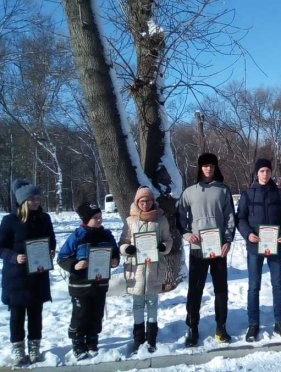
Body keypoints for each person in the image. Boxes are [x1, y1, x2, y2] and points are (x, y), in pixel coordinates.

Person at [178, 153, 235, 347]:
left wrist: (228, 240)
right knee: (195, 289)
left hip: (218, 248)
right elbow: (180, 216)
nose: (208, 168)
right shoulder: (189, 192)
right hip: (197, 248)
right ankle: (192, 327)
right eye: (205, 165)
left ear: (215, 167)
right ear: (200, 168)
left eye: (211, 165)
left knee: (221, 289)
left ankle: (221, 327)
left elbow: (230, 217)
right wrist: (187, 234)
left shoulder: (223, 190)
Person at [237, 158, 281, 342]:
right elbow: (240, 218)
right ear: (257, 173)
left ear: (271, 172)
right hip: (255, 246)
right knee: (254, 286)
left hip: (275, 245)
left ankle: (280, 322)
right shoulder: (247, 194)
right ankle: (253, 324)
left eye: (267, 171)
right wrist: (248, 234)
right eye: (261, 171)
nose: (265, 174)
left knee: (278, 284)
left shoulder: (280, 194)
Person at [0, 180, 56, 366]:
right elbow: (1, 247)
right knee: (17, 315)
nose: (37, 201)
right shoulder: (10, 221)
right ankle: (18, 348)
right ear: (23, 200)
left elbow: (51, 239)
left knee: (35, 314)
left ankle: (34, 346)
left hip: (38, 274)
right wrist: (14, 257)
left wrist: (51, 251)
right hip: (16, 278)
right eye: (33, 198)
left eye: (38, 197)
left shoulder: (44, 218)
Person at [57, 202, 120, 361]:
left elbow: (115, 253)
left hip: (100, 283)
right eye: (95, 217)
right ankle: (77, 342)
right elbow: (62, 257)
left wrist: (115, 261)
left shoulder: (107, 235)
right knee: (81, 313)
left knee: (96, 313)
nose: (99, 220)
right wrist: (75, 265)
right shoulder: (77, 236)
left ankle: (92, 340)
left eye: (100, 217)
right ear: (86, 219)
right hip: (80, 285)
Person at [120, 186, 173, 353]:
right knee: (137, 304)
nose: (145, 204)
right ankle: (138, 338)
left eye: (148, 200)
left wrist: (163, 246)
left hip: (154, 268)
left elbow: (168, 240)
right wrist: (126, 248)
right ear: (137, 202)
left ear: (152, 201)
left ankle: (151, 338)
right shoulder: (130, 221)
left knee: (152, 303)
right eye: (142, 201)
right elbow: (123, 241)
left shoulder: (161, 220)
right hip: (136, 269)